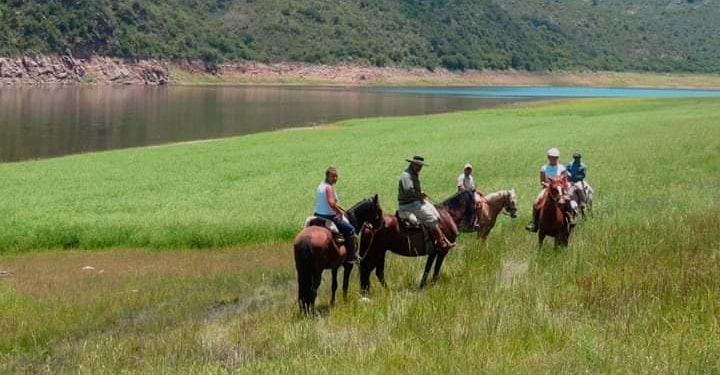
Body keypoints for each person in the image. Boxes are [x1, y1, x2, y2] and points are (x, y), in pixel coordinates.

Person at [398, 156, 455, 250]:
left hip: (415, 201)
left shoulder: (413, 173)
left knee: (435, 212)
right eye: (418, 165)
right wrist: (419, 195)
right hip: (409, 204)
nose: (419, 167)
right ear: (412, 163)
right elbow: (408, 190)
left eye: (420, 165)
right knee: (431, 217)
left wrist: (420, 195)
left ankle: (441, 238)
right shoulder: (407, 175)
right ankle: (440, 241)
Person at [314, 166, 358, 264]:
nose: (335, 179)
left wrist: (339, 208)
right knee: (351, 230)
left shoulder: (320, 185)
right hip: (329, 216)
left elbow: (330, 203)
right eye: (333, 176)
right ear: (327, 176)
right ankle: (351, 257)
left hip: (317, 215)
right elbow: (331, 203)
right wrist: (339, 212)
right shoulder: (328, 187)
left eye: (336, 176)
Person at [525, 147, 572, 232]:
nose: (553, 159)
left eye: (555, 157)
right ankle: (534, 223)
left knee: (568, 200)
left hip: (559, 189)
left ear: (557, 158)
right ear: (548, 157)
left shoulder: (562, 168)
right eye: (551, 157)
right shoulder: (544, 168)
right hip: (547, 188)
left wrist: (562, 187)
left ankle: (570, 218)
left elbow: (564, 180)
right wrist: (549, 185)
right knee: (536, 202)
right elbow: (542, 181)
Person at [457, 162, 479, 229]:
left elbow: (472, 186)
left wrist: (474, 189)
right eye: (467, 169)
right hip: (462, 195)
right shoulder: (461, 177)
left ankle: (476, 221)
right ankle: (468, 222)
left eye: (469, 169)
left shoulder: (471, 178)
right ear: (464, 170)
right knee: (471, 206)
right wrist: (467, 191)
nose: (468, 171)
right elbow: (460, 187)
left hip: (470, 195)